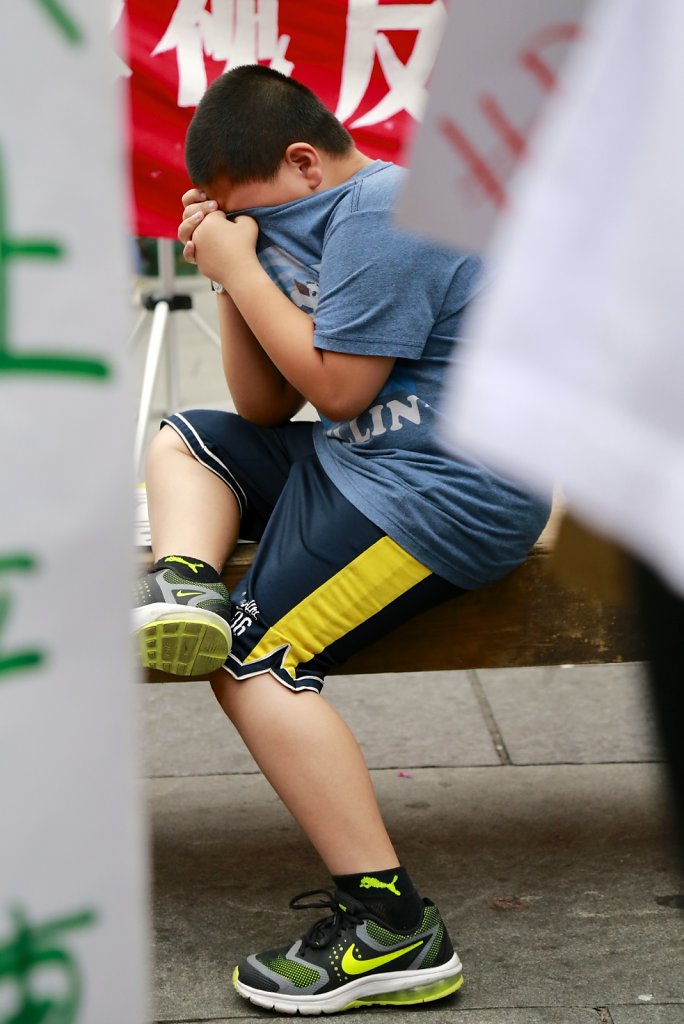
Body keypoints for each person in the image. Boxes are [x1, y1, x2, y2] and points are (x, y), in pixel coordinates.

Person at [134, 64, 551, 1014]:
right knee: (190, 435)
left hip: (447, 492)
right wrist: (237, 285)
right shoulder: (310, 219)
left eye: (260, 217)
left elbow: (337, 393)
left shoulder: (387, 208)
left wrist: (242, 265)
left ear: (305, 162)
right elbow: (261, 403)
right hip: (360, 462)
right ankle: (188, 584)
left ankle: (395, 929)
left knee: (255, 664)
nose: (256, 237)